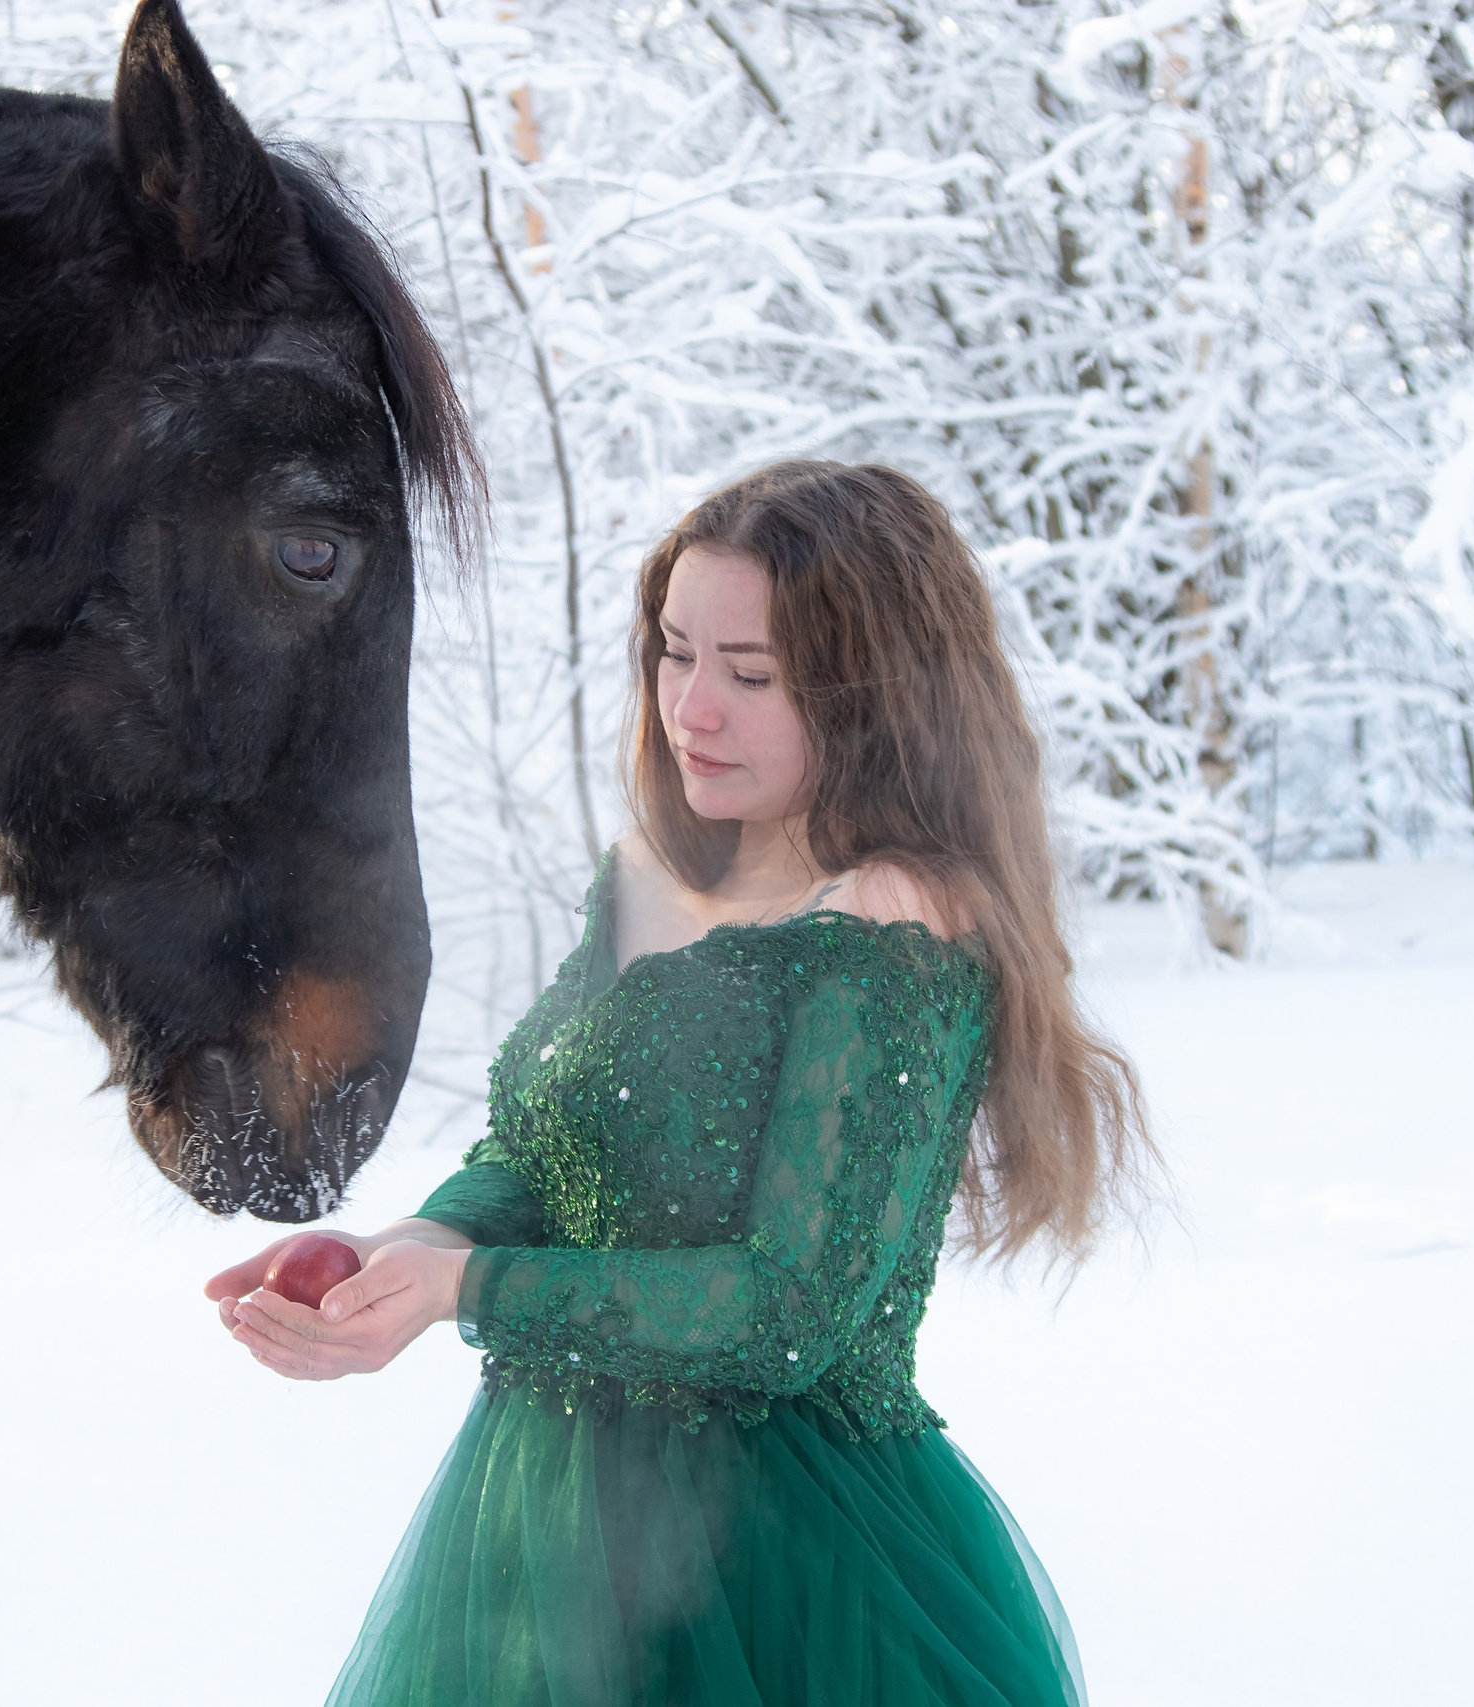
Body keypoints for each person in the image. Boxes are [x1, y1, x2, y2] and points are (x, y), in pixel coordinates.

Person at [205, 460, 1148, 1707]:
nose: (693, 708)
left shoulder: (891, 930)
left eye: (751, 674)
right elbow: (547, 1156)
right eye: (673, 653)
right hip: (545, 1530)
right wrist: (415, 1244)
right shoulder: (649, 873)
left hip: (783, 1566)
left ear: (874, 696)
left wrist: (470, 1286)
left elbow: (786, 1311)